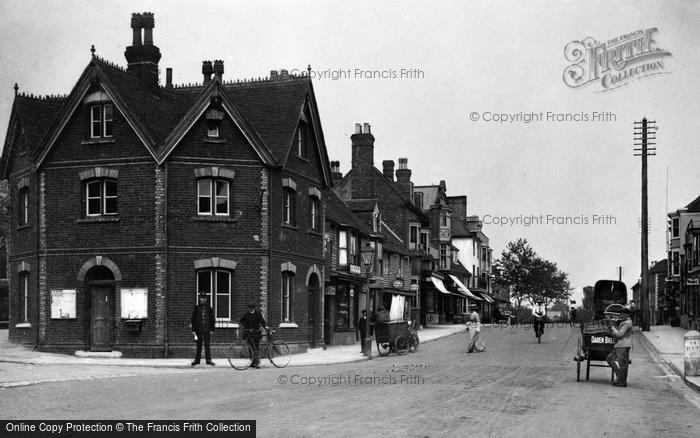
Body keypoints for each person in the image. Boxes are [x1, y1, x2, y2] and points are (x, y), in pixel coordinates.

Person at [606, 307, 633, 387]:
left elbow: (620, 334)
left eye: (622, 314)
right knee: (610, 359)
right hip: (619, 345)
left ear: (627, 315)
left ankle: (622, 382)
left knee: (622, 364)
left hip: (623, 345)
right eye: (620, 314)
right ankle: (619, 377)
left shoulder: (627, 323)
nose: (621, 316)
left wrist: (613, 328)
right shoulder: (624, 322)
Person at [240, 303, 268, 369]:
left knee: (256, 348)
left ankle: (256, 363)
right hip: (249, 333)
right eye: (249, 308)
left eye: (251, 308)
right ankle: (252, 362)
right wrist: (246, 327)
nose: (250, 309)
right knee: (250, 348)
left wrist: (266, 327)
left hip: (256, 333)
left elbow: (262, 321)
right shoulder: (247, 314)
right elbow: (241, 320)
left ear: (253, 308)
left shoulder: (258, 314)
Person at [191, 294, 216, 366]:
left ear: (206, 299)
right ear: (199, 299)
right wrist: (193, 330)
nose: (203, 300)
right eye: (202, 298)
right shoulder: (196, 308)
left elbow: (212, 319)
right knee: (198, 346)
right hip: (198, 330)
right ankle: (197, 360)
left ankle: (208, 360)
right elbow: (193, 319)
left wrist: (212, 329)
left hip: (207, 330)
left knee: (207, 346)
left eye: (204, 298)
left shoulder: (209, 308)